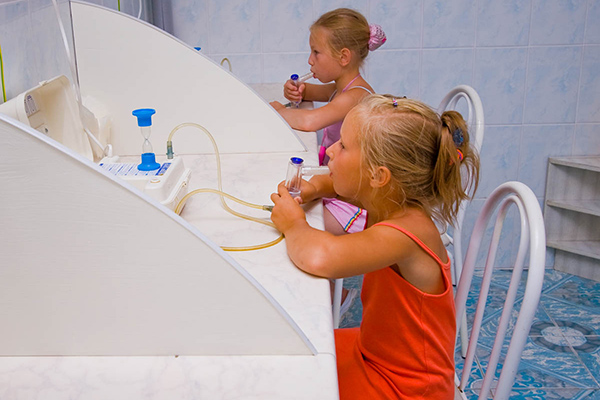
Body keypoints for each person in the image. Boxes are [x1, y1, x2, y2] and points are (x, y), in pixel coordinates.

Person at [270, 94, 480, 399]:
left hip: (408, 388)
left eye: (343, 146)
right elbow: (341, 186)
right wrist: (315, 187)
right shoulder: (389, 200)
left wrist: (293, 224)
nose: (331, 149)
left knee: (294, 376)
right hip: (374, 351)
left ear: (378, 176)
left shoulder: (406, 233)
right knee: (293, 353)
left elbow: (320, 257)